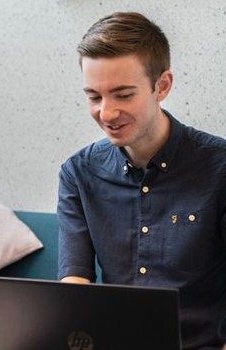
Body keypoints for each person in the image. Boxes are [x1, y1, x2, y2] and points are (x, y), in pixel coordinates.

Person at [57, 11, 226, 349]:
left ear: (161, 86)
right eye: (94, 96)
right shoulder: (78, 173)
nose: (106, 113)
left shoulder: (219, 168)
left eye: (122, 95)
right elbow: (75, 281)